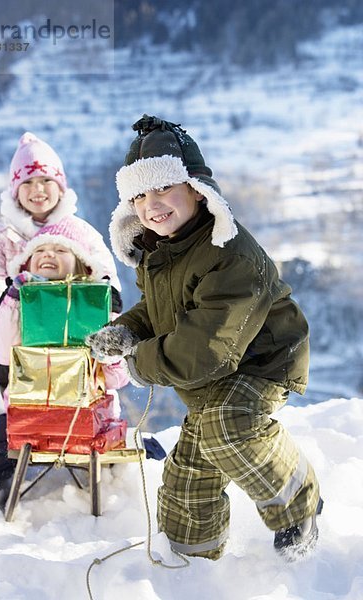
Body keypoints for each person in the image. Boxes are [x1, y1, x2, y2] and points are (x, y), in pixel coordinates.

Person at [86, 114, 323, 561]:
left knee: (229, 428)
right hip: (211, 373)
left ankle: (299, 505)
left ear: (196, 190)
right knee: (187, 483)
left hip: (260, 363)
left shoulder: (229, 253)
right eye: (139, 195)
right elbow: (161, 312)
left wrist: (137, 362)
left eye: (163, 189)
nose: (152, 205)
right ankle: (193, 562)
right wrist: (127, 331)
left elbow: (206, 348)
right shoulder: (160, 249)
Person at [0, 219, 128, 488]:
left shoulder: (95, 305)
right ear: (27, 263)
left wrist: (109, 318)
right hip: (27, 415)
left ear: (82, 264)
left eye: (61, 250)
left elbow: (117, 378)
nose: (48, 254)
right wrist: (14, 301)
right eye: (39, 251)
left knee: (115, 453)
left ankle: (152, 449)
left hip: (86, 415)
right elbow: (2, 354)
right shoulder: (19, 301)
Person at [0, 131, 121, 395]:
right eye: (27, 183)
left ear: (60, 186)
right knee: (23, 396)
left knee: (78, 390)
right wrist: (15, 307)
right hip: (14, 337)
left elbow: (103, 272)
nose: (37, 190)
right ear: (15, 190)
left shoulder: (79, 232)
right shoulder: (1, 234)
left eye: (46, 181)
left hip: (73, 332)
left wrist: (106, 300)